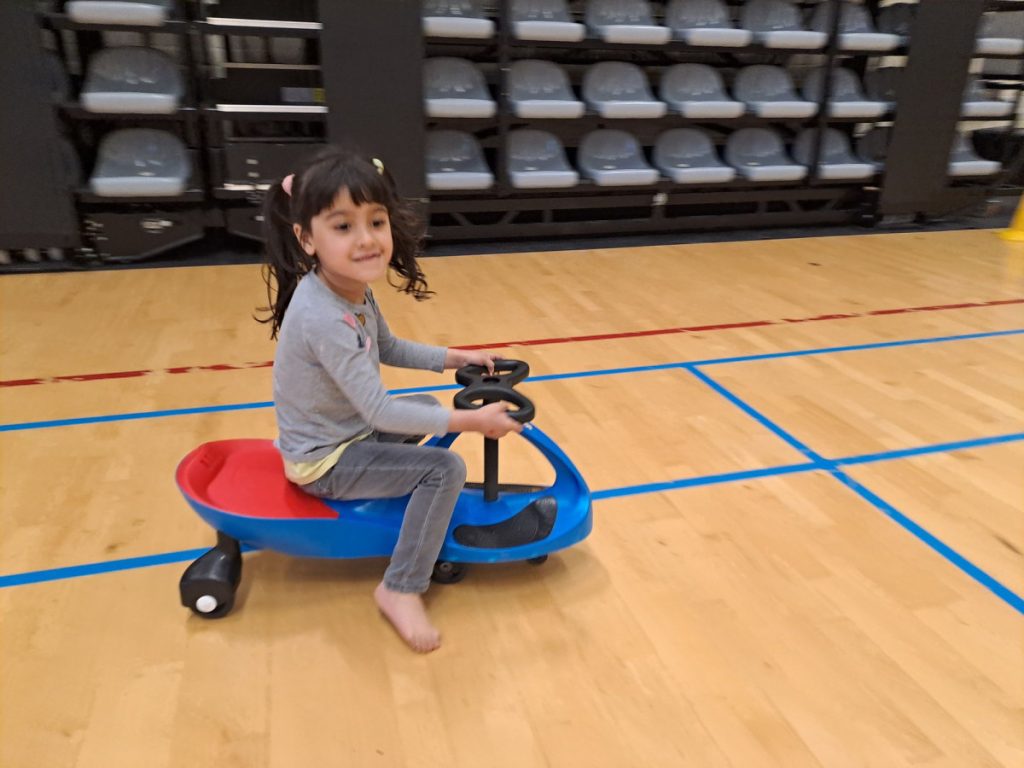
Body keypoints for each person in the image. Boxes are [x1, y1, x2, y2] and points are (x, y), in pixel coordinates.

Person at [259, 146, 521, 652]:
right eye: (343, 227)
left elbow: (390, 347)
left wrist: (456, 357)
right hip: (326, 462)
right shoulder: (324, 317)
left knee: (426, 406)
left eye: (375, 222)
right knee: (444, 470)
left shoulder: (350, 289)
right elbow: (379, 410)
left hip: (346, 436)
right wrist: (472, 422)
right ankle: (401, 587)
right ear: (306, 239)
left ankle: (410, 499)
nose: (366, 239)